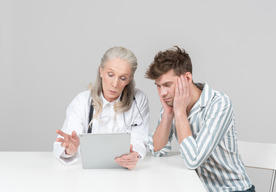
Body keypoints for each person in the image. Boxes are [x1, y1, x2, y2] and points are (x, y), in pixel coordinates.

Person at [145, 46, 255, 191]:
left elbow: (193, 160)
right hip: (197, 188)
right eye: (158, 86)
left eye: (167, 85)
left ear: (187, 78)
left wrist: (180, 113)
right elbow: (157, 150)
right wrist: (167, 113)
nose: (163, 93)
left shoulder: (219, 104)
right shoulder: (172, 103)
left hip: (232, 189)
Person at [53, 46, 149, 169]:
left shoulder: (139, 99)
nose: (114, 84)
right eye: (110, 74)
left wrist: (135, 155)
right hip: (90, 174)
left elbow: (139, 138)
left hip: (124, 173)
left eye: (123, 78)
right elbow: (65, 142)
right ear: (101, 71)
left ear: (130, 79)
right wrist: (69, 150)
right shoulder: (82, 101)